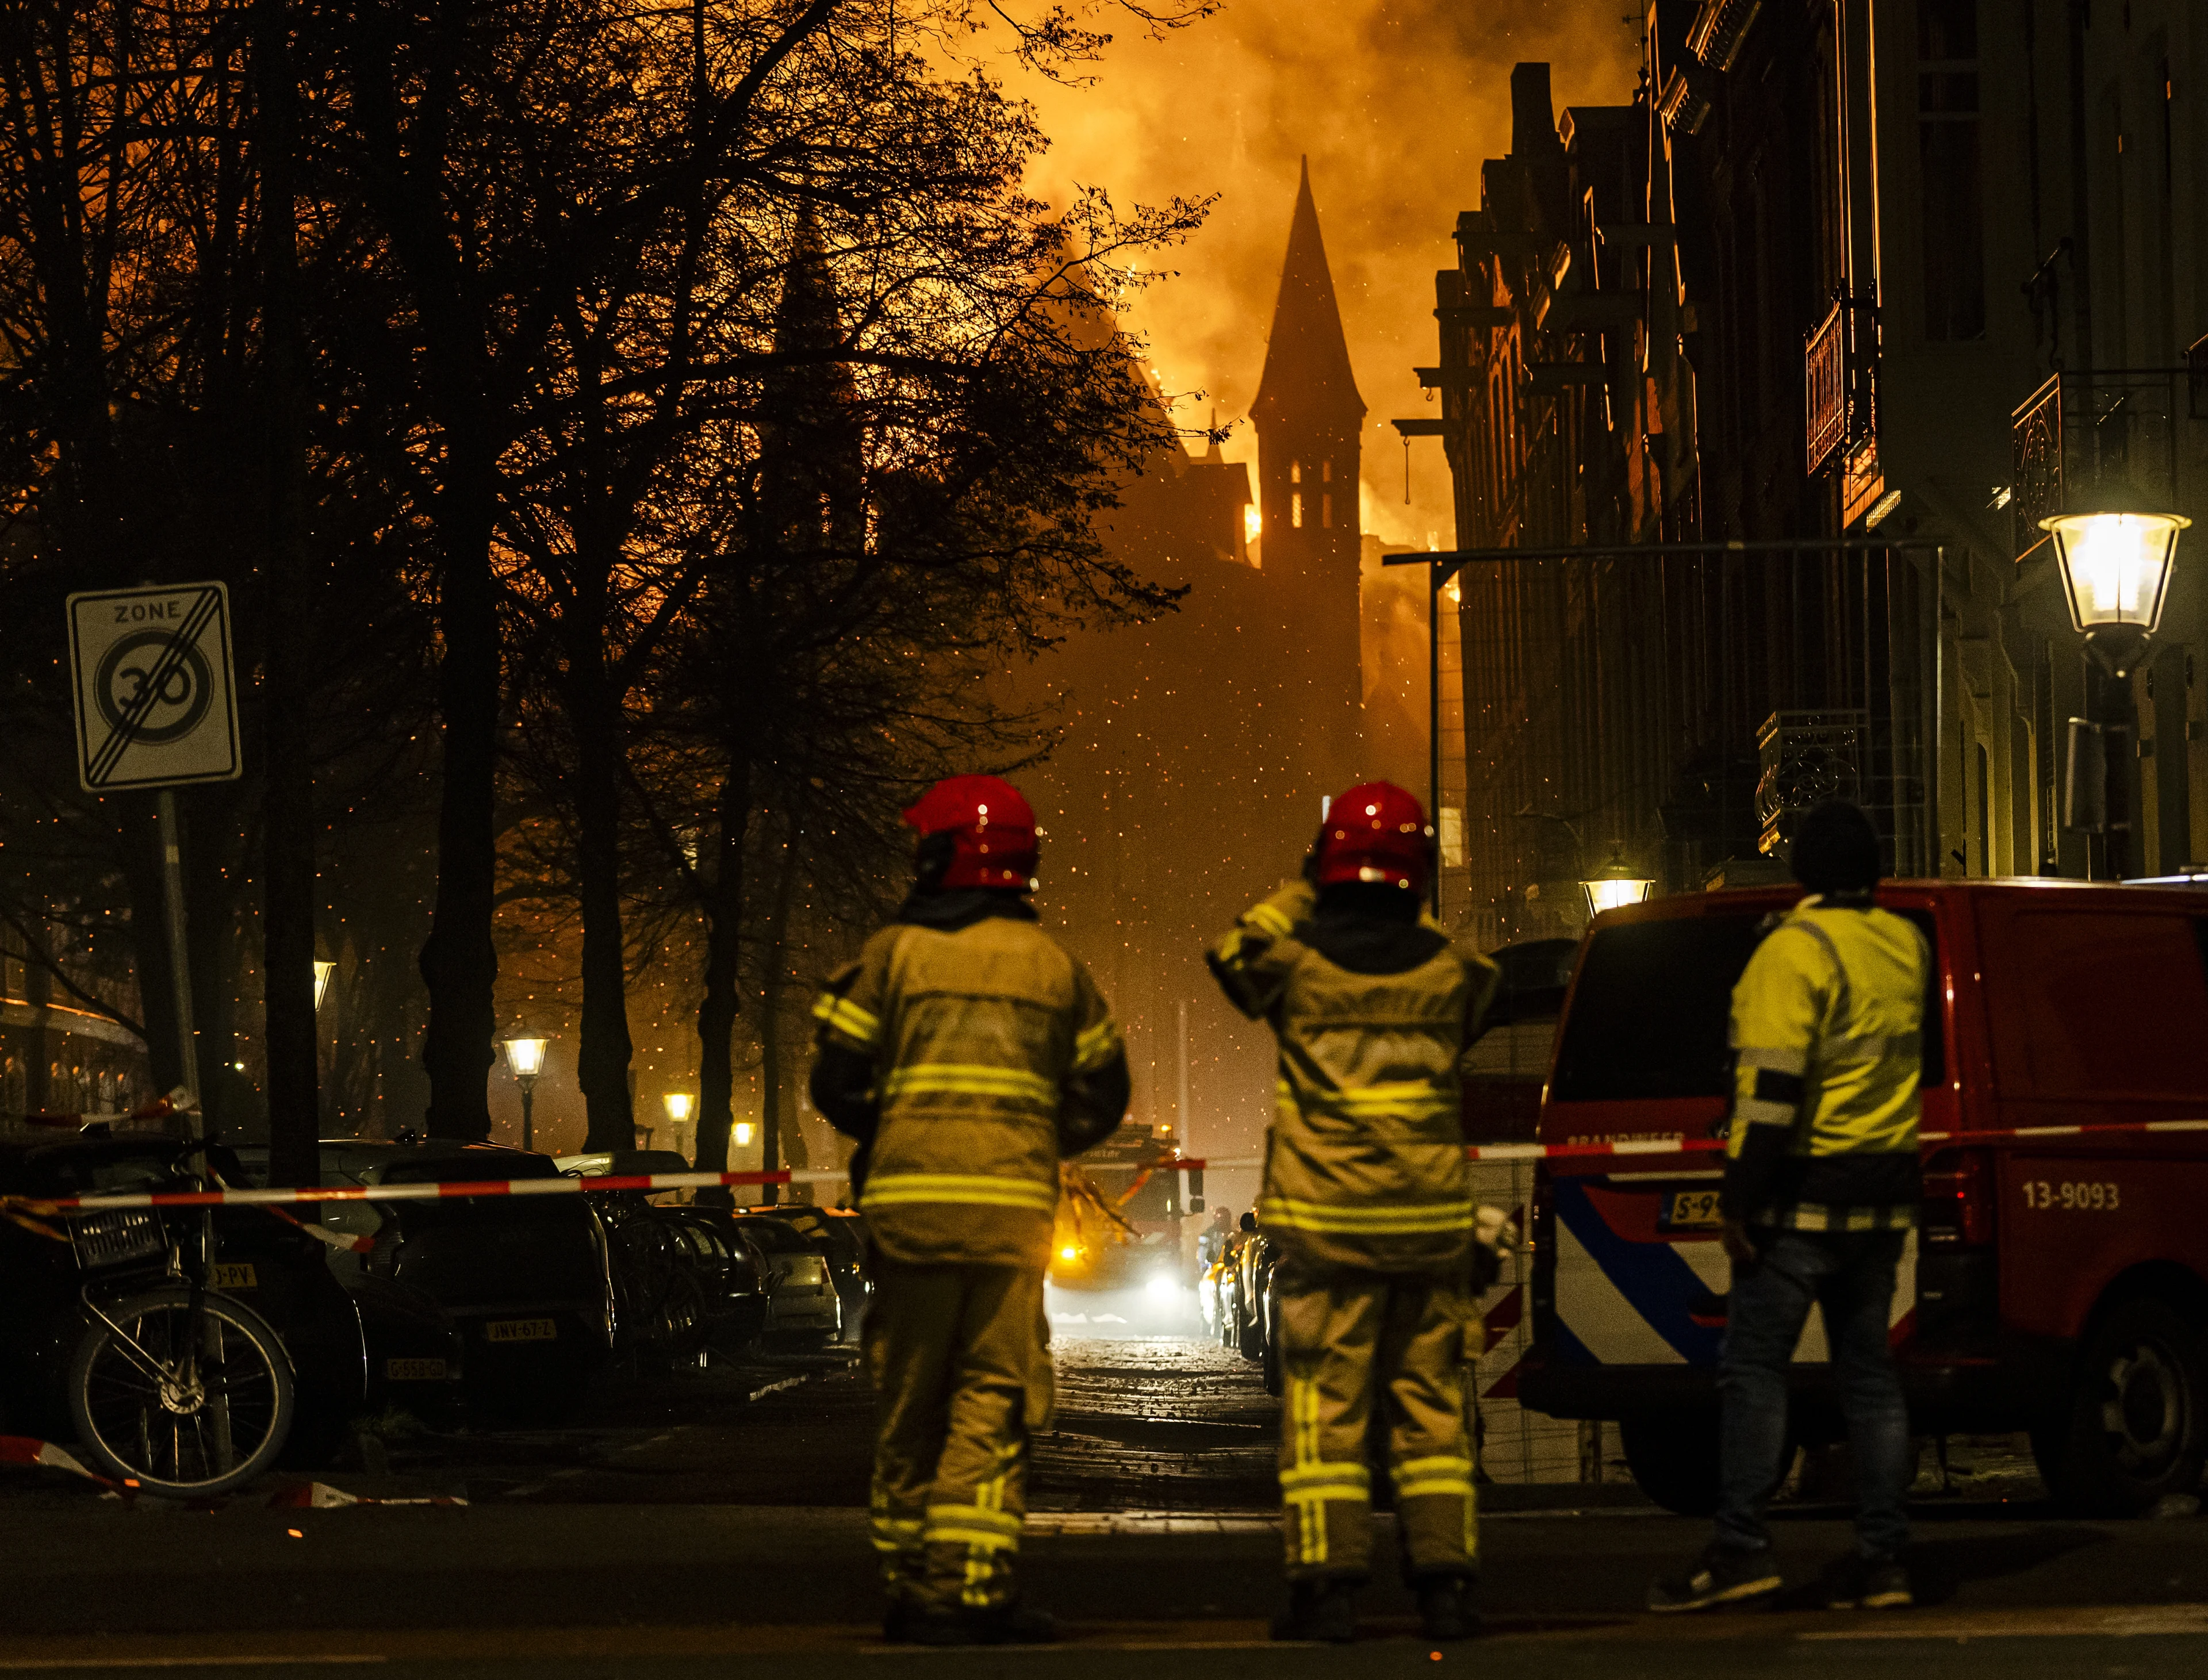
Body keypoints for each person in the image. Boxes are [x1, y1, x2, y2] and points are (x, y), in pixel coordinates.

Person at [809, 774, 1129, 1646]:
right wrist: (1036, 1133)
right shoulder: (1053, 965)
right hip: (1008, 1222)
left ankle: (912, 1588)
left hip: (909, 1218)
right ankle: (977, 1587)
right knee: (992, 1396)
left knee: (912, 1398)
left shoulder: (891, 955)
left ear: (945, 853)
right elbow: (1105, 1091)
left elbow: (835, 1081)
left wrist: (902, 1128)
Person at [1206, 781, 1502, 1644]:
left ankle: (1329, 1592)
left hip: (1327, 1225)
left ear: (1326, 865)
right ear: (1415, 872)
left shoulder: (1296, 965)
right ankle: (1447, 1586)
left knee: (1325, 1408)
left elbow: (1233, 952)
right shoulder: (1452, 971)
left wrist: (1309, 886)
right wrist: (1407, 903)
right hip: (1428, 1226)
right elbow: (1473, 985)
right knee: (1430, 1408)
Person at [1649, 799, 1929, 1614]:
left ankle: (1741, 1546)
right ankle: (1885, 1560)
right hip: (1883, 1192)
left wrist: (1740, 1200)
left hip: (1804, 1195)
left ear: (1801, 871)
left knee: (1754, 1371)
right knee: (1871, 1379)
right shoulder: (1904, 944)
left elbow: (1770, 1095)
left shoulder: (1790, 951)